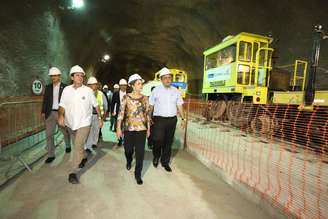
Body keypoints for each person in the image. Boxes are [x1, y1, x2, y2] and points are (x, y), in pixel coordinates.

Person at [58, 65, 103, 184]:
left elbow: (96, 105)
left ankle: (73, 172)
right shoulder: (66, 90)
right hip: (70, 123)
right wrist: (61, 115)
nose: (80, 77)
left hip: (84, 123)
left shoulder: (88, 91)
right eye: (77, 75)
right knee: (77, 146)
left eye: (82, 75)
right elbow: (62, 105)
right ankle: (83, 157)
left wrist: (100, 118)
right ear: (72, 77)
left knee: (77, 146)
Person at [149, 67, 186, 172]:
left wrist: (183, 119)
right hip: (159, 119)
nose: (168, 80)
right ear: (161, 79)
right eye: (165, 78)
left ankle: (165, 162)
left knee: (168, 142)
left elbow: (180, 105)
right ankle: (156, 156)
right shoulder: (156, 90)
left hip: (172, 120)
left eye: (169, 77)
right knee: (157, 139)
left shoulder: (176, 91)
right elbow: (151, 106)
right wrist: (148, 117)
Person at [116, 74, 150, 185]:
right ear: (132, 85)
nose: (141, 86)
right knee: (128, 150)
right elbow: (121, 114)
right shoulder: (126, 97)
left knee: (140, 153)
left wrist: (148, 128)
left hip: (142, 129)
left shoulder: (145, 98)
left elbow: (147, 115)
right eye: (139, 83)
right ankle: (129, 160)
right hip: (128, 129)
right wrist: (118, 128)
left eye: (141, 83)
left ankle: (138, 174)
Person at [41, 67, 71, 163]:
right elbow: (45, 100)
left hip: (60, 113)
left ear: (59, 76)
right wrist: (43, 112)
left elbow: (68, 101)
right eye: (52, 76)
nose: (53, 77)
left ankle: (68, 145)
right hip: (50, 113)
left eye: (55, 75)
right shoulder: (48, 87)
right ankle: (51, 154)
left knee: (64, 131)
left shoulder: (65, 87)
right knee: (49, 134)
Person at [84, 76, 107, 152]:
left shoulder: (101, 94)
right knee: (89, 131)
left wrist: (102, 118)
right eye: (90, 85)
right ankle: (88, 146)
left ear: (96, 85)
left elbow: (105, 106)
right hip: (88, 115)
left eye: (94, 84)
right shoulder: (86, 94)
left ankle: (94, 142)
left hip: (98, 115)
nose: (92, 86)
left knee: (96, 130)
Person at [110, 79, 127, 145]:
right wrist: (112, 111)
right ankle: (119, 140)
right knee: (119, 126)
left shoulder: (129, 93)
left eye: (125, 85)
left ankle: (125, 139)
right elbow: (113, 103)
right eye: (122, 85)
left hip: (126, 113)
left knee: (125, 127)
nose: (123, 87)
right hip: (118, 113)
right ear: (119, 86)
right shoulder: (116, 94)